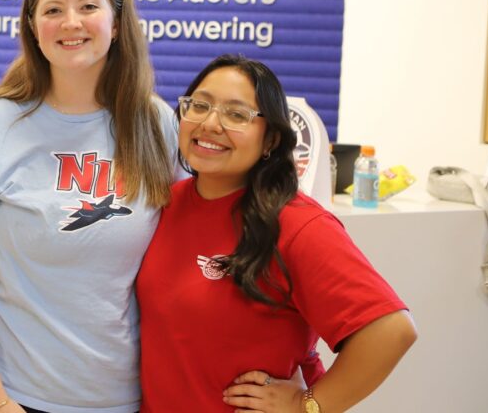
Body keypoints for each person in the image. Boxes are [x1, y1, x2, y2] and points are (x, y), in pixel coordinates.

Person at [0, 0, 178, 413]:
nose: (71, 23)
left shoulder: (154, 124)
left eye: (88, 7)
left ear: (116, 21)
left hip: (119, 397)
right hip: (6, 394)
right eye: (53, 9)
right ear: (32, 26)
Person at [136, 53, 417, 412]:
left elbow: (391, 330)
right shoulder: (165, 203)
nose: (210, 123)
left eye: (237, 114)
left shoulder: (296, 224)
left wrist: (309, 405)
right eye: (200, 105)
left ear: (270, 139)